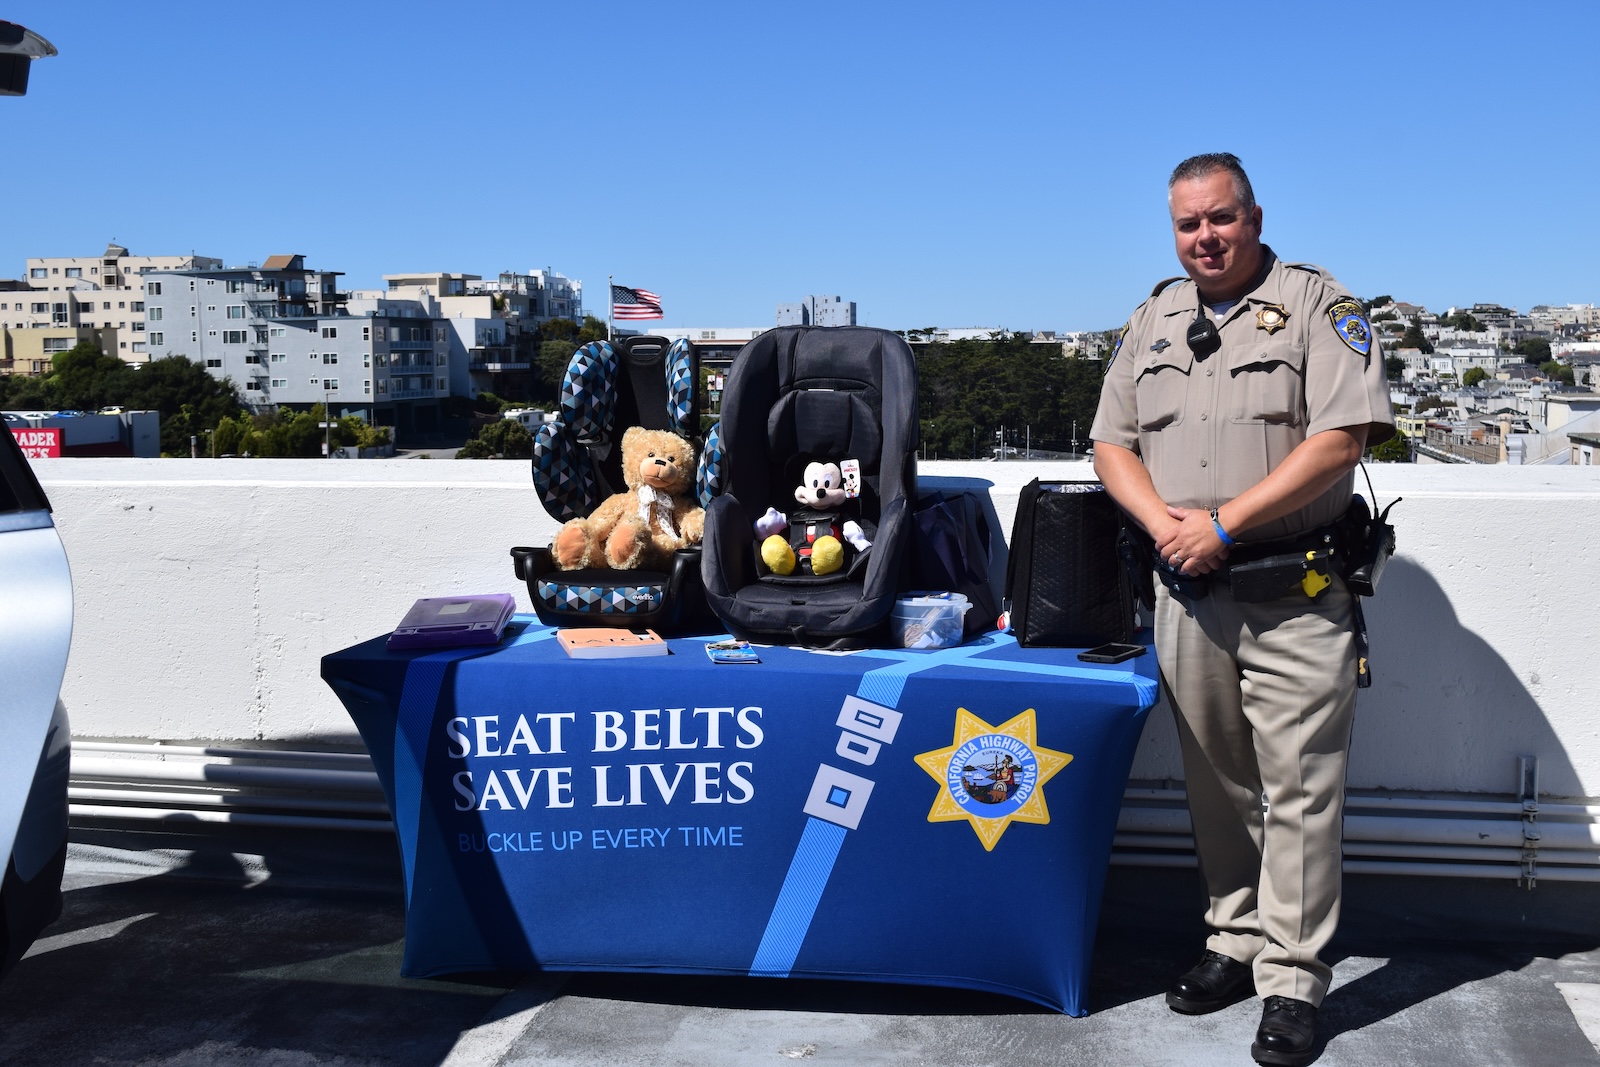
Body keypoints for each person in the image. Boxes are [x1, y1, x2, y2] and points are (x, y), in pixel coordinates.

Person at [1090, 152, 1394, 1067]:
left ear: (1254, 217)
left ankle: (1295, 979)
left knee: (1301, 790)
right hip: (1189, 591)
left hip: (1293, 591)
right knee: (1217, 784)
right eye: (1188, 225)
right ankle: (1233, 939)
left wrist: (1223, 522)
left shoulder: (1316, 307)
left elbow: (1343, 437)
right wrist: (1168, 529)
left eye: (1221, 219)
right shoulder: (1155, 318)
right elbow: (1113, 443)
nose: (1205, 239)